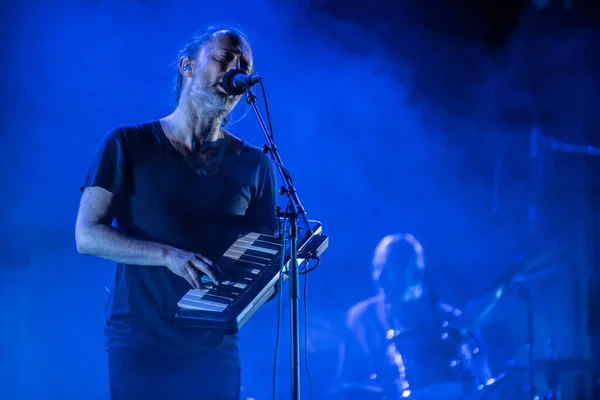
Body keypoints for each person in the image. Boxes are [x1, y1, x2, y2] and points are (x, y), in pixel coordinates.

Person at [75, 26, 278, 400]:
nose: (236, 69)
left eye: (244, 63)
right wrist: (168, 255)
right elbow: (87, 234)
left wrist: (274, 272)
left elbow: (264, 260)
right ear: (187, 66)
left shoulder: (254, 165)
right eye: (224, 57)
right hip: (140, 339)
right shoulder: (127, 143)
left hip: (213, 347)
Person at [334, 233, 493, 399]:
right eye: (377, 267)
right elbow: (345, 385)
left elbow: (483, 384)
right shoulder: (361, 318)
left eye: (390, 268)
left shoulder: (456, 322)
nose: (379, 277)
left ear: (416, 273)